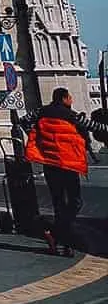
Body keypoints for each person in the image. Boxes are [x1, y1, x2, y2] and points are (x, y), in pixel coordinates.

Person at [24, 87, 93, 256]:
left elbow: (23, 121)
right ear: (63, 99)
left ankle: (59, 238)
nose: (71, 100)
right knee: (75, 202)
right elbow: (92, 126)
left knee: (58, 202)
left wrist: (40, 139)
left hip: (50, 165)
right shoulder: (70, 115)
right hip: (67, 165)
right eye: (70, 97)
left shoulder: (41, 112)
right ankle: (59, 234)